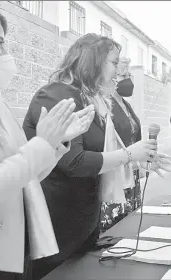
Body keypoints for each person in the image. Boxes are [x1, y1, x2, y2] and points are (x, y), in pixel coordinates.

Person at [0, 3, 91, 279]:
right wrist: (41, 143)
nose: (6, 54)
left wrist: (55, 142)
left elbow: (27, 175)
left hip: (13, 247)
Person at [22, 33, 161, 280]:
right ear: (93, 62)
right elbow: (74, 162)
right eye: (114, 63)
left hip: (83, 222)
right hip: (58, 221)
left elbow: (102, 150)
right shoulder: (57, 94)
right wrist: (129, 154)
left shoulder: (88, 97)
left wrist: (137, 157)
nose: (118, 71)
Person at [100, 57, 171, 232]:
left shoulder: (125, 105)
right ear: (112, 77)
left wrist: (144, 159)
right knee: (114, 229)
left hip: (131, 173)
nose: (129, 79)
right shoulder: (103, 103)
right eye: (124, 74)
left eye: (129, 74)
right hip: (115, 174)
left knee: (130, 226)